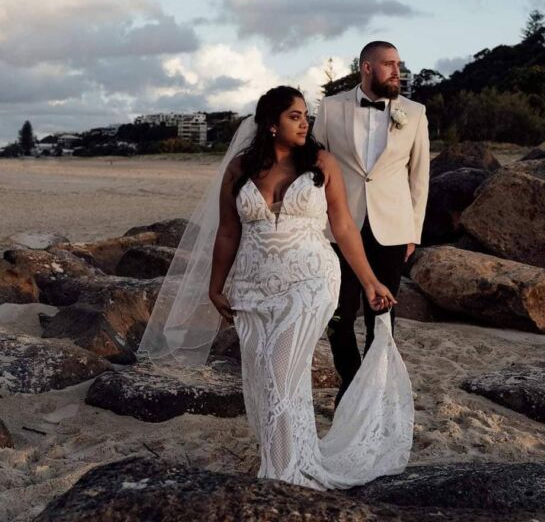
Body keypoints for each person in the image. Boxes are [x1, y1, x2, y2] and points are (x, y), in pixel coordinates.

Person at [138, 85, 414, 490]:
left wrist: (370, 280)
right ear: (270, 124)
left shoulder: (322, 163)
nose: (305, 124)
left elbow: (343, 227)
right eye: (294, 116)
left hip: (310, 280)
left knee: (279, 372)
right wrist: (216, 286)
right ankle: (291, 457)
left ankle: (280, 475)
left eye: (306, 116)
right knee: (265, 377)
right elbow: (228, 233)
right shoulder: (239, 169)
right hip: (252, 287)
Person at [313, 41, 430, 406]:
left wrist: (412, 232)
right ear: (366, 67)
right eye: (389, 64)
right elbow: (313, 168)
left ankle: (372, 393)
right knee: (338, 314)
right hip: (339, 227)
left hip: (391, 229)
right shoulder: (331, 108)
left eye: (399, 64)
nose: (397, 71)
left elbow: (420, 177)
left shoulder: (415, 112)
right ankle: (351, 382)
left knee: (382, 316)